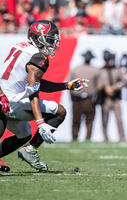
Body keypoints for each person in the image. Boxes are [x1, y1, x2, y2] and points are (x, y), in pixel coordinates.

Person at [0, 20, 88, 172]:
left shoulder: (22, 47)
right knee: (60, 111)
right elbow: (34, 91)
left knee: (25, 134)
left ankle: (26, 150)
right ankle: (30, 150)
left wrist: (66, 86)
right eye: (49, 39)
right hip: (12, 104)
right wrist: (40, 122)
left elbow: (36, 83)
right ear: (37, 37)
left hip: (5, 99)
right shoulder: (38, 57)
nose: (52, 44)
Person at [69, 50, 100, 141]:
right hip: (89, 100)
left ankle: (75, 138)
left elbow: (69, 85)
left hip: (77, 99)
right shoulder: (95, 70)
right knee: (89, 121)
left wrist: (72, 97)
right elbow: (98, 86)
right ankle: (87, 138)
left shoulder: (76, 69)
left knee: (76, 121)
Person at [98, 50, 127, 142]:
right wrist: (105, 88)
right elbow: (97, 84)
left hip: (115, 98)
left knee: (119, 119)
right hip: (105, 98)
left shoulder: (117, 70)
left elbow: (124, 82)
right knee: (105, 120)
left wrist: (115, 87)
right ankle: (105, 137)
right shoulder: (100, 71)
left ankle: (122, 137)